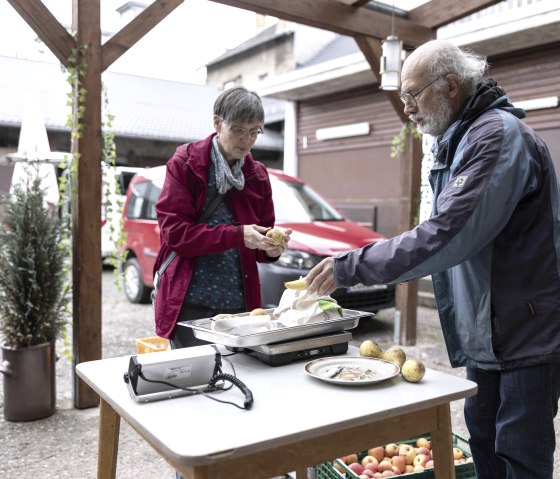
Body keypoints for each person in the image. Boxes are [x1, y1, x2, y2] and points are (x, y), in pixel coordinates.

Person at [305, 40, 560, 479]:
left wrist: (352, 266)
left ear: (450, 85)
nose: (407, 108)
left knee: (519, 459)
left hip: (525, 333)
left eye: (412, 95)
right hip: (490, 332)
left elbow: (448, 234)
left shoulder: (496, 136)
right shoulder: (460, 138)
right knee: (484, 445)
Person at [153, 86, 291, 349]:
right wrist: (238, 235)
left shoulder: (257, 175)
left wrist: (273, 247)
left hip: (240, 304)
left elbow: (260, 246)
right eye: (238, 130)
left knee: (240, 378)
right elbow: (175, 234)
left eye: (254, 132)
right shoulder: (186, 163)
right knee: (194, 380)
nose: (247, 140)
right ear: (217, 123)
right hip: (191, 300)